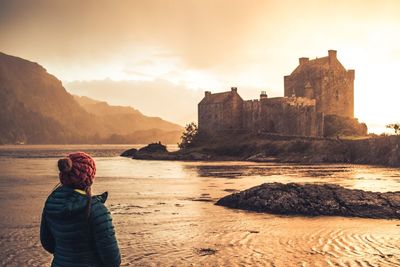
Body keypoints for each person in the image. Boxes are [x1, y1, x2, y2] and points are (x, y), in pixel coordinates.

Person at [40, 152, 121, 267]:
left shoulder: (51, 203)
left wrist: (67, 254)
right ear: (89, 178)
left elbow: (47, 243)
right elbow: (113, 261)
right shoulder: (96, 210)